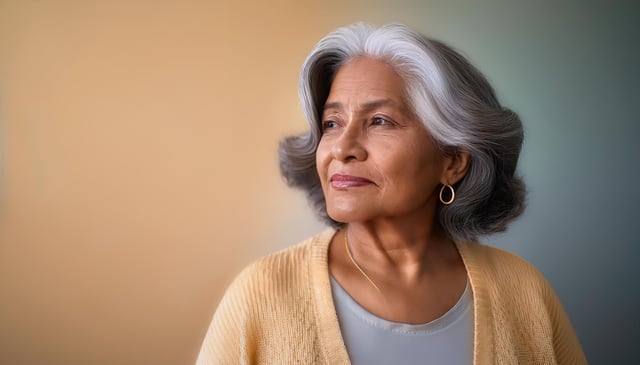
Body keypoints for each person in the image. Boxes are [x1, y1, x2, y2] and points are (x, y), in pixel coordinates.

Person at [196, 23, 587, 364]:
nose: (343, 147)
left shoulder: (524, 293)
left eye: (380, 121)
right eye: (332, 123)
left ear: (452, 161)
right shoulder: (261, 294)